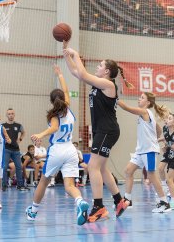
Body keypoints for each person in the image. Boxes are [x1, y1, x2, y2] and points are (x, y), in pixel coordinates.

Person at [63, 41, 132, 222]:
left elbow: (83, 73)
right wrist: (67, 54)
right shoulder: (99, 84)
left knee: (93, 166)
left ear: (107, 72)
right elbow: (76, 72)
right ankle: (119, 201)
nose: (97, 67)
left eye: (100, 65)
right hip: (104, 131)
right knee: (101, 168)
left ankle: (99, 206)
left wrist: (76, 54)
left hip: (107, 131)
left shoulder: (108, 86)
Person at [26, 65, 89, 226]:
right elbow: (66, 91)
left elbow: (54, 127)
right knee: (69, 185)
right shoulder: (68, 108)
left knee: (44, 181)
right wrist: (61, 75)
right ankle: (80, 201)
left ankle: (33, 211)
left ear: (51, 101)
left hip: (58, 149)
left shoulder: (54, 115)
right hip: (71, 149)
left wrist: (40, 134)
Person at [118, 93, 171, 213]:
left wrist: (114, 98)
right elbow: (158, 129)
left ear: (147, 102)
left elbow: (126, 108)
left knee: (151, 175)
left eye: (142, 98)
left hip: (148, 151)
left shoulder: (145, 111)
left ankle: (164, 202)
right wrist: (157, 139)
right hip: (141, 150)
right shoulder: (148, 114)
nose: (139, 98)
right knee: (128, 171)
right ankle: (128, 200)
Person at [2, 108, 28, 191]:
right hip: (6, 149)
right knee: (5, 167)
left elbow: (23, 132)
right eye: (9, 114)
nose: (11, 115)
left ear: (14, 115)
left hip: (16, 150)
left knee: (19, 166)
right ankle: (4, 184)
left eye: (12, 113)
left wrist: (20, 140)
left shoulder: (18, 125)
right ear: (7, 115)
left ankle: (20, 185)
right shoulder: (3, 126)